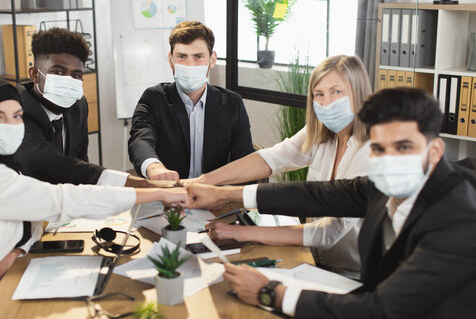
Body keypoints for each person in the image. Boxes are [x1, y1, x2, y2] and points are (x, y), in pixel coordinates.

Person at [184, 87, 476, 318]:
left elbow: (383, 310)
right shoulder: (385, 185)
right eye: (379, 148)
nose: (389, 160)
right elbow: (316, 195)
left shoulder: (457, 220)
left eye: (403, 147)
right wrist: (224, 193)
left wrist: (272, 292)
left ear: (435, 150)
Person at [0, 77, 187, 319]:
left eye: (17, 116)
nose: (10, 126)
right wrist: (159, 192)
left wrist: (16, 250)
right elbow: (63, 201)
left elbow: (35, 219)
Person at [186, 55, 372, 278]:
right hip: (316, 259)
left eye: (336, 92)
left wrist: (241, 232)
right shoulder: (324, 134)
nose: (326, 103)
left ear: (358, 93)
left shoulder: (371, 151)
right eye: (319, 94)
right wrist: (204, 181)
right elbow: (273, 158)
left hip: (356, 275)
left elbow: (327, 233)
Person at [14, 28, 152, 188]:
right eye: (58, 72)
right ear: (35, 74)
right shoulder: (16, 111)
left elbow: (80, 162)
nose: (68, 81)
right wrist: (143, 185)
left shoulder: (78, 106)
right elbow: (53, 164)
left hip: (70, 204)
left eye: (76, 75)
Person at [128, 21, 254, 181]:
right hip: (169, 195)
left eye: (198, 57)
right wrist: (154, 168)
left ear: (212, 59)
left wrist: (227, 195)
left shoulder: (232, 103)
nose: (190, 65)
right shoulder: (154, 98)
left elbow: (244, 159)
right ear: (170, 59)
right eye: (181, 57)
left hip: (215, 196)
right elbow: (140, 140)